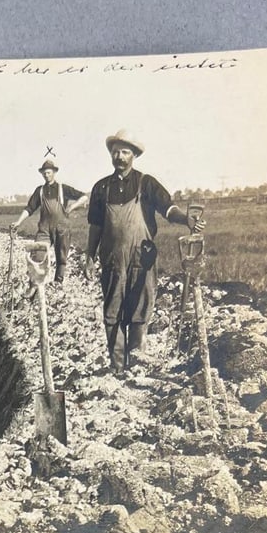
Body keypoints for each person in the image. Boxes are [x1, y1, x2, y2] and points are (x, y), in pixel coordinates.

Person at [84, 130, 205, 370]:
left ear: (134, 155)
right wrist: (89, 256)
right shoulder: (100, 188)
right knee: (113, 312)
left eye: (125, 152)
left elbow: (168, 209)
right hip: (112, 260)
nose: (119, 156)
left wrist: (186, 220)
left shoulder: (146, 183)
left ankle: (136, 365)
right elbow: (95, 226)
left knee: (139, 309)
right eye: (116, 151)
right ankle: (117, 368)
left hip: (142, 257)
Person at [12, 159, 88, 284]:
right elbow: (29, 208)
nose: (46, 175)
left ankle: (58, 283)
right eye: (44, 173)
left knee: (61, 257)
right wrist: (18, 222)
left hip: (62, 227)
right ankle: (35, 284)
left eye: (49, 173)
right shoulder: (40, 191)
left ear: (54, 172)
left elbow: (84, 196)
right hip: (44, 229)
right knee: (38, 255)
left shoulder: (63, 189)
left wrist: (72, 207)